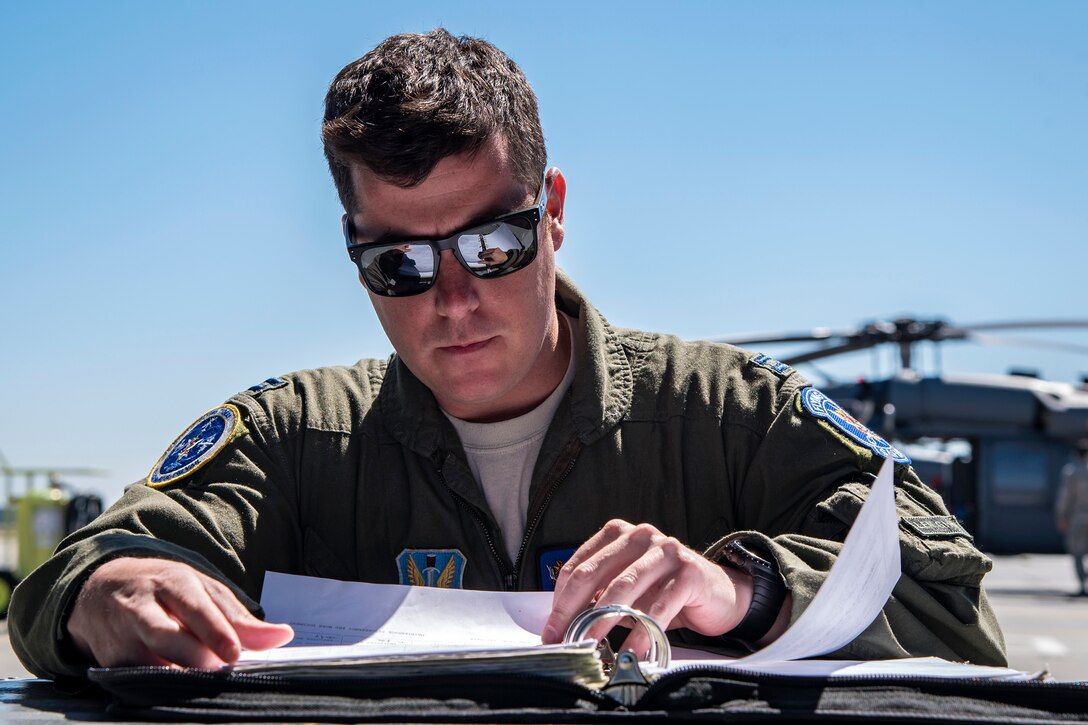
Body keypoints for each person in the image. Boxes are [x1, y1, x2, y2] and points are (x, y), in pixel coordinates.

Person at [9, 29, 1006, 679]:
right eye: (399, 262)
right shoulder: (292, 436)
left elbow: (952, 602)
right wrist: (110, 590)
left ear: (553, 212)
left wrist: (742, 590)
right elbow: (77, 576)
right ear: (352, 247)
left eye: (491, 245)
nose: (453, 301)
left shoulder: (731, 412)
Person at [1055, 442, 1088, 596]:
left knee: (1077, 551)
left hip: (1077, 516)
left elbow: (1065, 497)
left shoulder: (1071, 472)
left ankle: (1082, 585)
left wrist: (1061, 516)